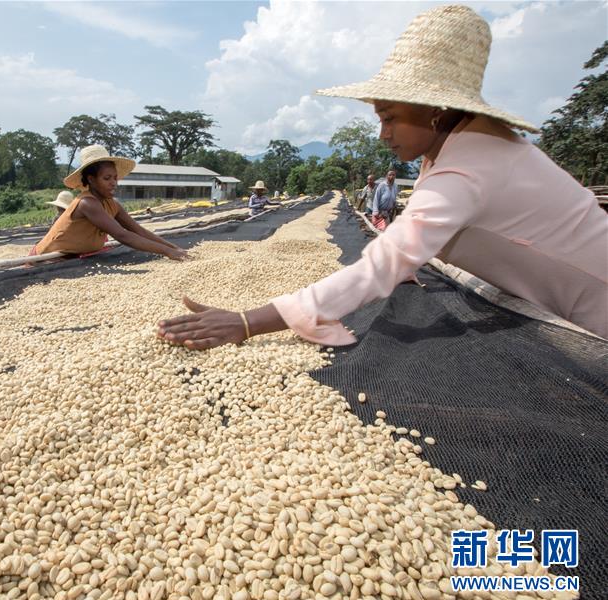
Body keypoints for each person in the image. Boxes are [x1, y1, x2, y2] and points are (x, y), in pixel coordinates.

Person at [157, 4, 608, 348]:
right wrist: (410, 259)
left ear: (436, 110)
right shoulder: (459, 145)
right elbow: (414, 240)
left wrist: (247, 321)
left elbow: (381, 262)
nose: (383, 133)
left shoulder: (470, 165)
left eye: (390, 117)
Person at [32, 145, 188, 260]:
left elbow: (138, 231)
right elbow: (122, 235)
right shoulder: (87, 203)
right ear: (91, 180)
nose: (113, 183)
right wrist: (167, 252)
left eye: (115, 178)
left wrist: (173, 247)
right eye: (107, 178)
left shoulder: (112, 204)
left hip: (75, 257)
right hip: (46, 260)